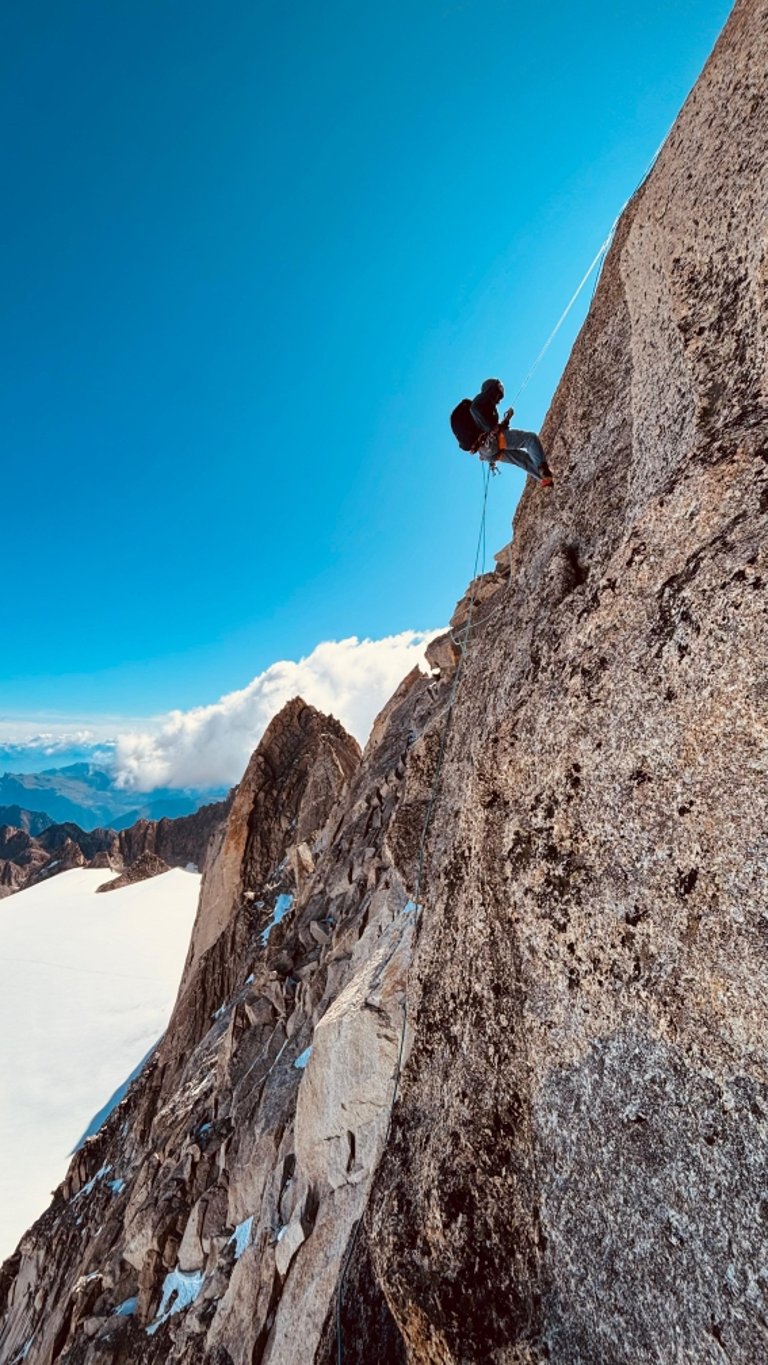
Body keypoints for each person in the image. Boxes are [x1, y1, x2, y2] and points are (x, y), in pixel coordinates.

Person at [450, 378, 554, 486]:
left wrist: (507, 419)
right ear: (492, 389)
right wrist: (491, 427)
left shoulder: (488, 411)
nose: (499, 400)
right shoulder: (482, 399)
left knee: (521, 458)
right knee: (530, 439)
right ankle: (543, 469)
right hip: (491, 442)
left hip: (487, 453)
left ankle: (544, 479)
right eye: (499, 395)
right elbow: (474, 409)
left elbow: (499, 430)